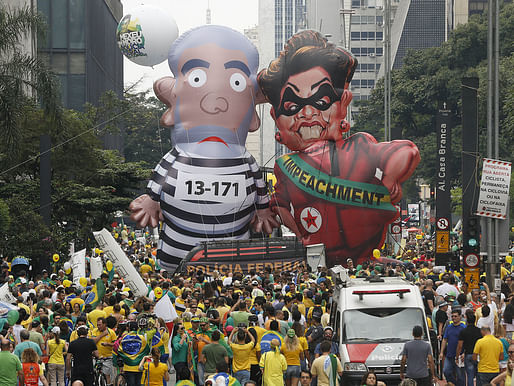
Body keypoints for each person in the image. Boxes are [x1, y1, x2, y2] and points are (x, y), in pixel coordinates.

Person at [257, 29, 420, 266]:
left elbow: (406, 151)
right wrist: (301, 234)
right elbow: (280, 206)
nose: (308, 113)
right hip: (317, 259)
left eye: (321, 101)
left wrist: (390, 179)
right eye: (292, 106)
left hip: (363, 255)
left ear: (343, 102)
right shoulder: (285, 168)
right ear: (276, 117)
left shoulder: (359, 148)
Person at [440, 309, 466, 386]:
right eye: (452, 316)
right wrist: (441, 352)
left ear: (460, 317)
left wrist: (464, 353)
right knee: (446, 371)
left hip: (460, 356)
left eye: (455, 316)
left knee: (461, 376)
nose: (454, 318)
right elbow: (445, 339)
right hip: (449, 355)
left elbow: (467, 342)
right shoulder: (449, 327)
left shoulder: (463, 328)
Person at [456, 312, 482, 386]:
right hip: (478, 355)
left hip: (468, 354)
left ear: (467, 320)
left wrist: (457, 356)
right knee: (478, 375)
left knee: (470, 375)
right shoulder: (479, 331)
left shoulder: (463, 331)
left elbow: (460, 346)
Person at [89, 316, 117, 384]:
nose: (98, 326)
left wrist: (108, 344)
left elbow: (115, 344)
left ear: (105, 324)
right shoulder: (95, 331)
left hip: (107, 357)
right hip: (96, 357)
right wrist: (102, 335)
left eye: (100, 325)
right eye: (97, 325)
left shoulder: (111, 332)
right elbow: (93, 342)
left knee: (107, 375)